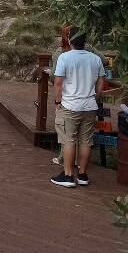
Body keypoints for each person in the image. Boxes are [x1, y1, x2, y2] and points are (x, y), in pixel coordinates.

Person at [50, 27, 105, 188]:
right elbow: (101, 79)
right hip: (89, 105)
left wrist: (58, 102)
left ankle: (67, 175)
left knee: (69, 140)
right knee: (86, 141)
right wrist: (96, 96)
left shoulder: (64, 57)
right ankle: (82, 174)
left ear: (70, 40)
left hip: (70, 105)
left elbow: (58, 81)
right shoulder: (95, 59)